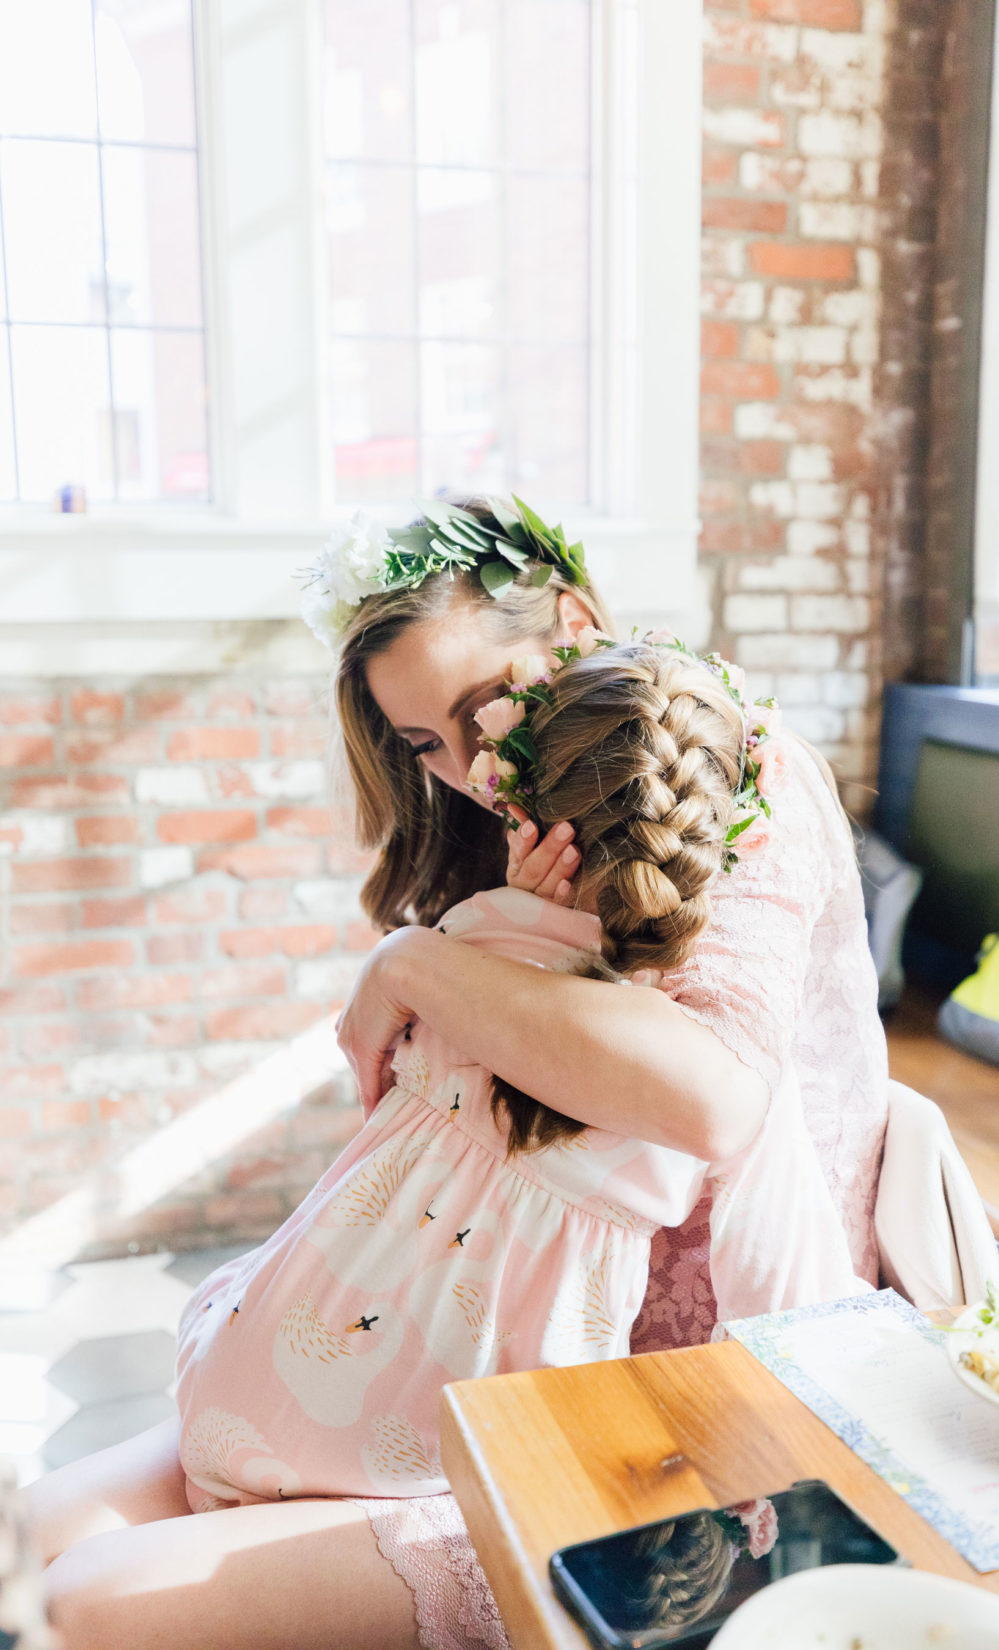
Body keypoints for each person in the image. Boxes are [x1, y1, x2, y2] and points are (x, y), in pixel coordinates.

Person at [26, 499, 887, 1650]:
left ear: (573, 619)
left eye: (480, 712)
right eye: (424, 745)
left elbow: (713, 1100)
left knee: (92, 1605)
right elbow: (416, 1138)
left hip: (621, 1386)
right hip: (438, 1329)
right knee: (39, 1537)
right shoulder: (525, 827)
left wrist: (420, 964)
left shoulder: (723, 771)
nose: (471, 772)